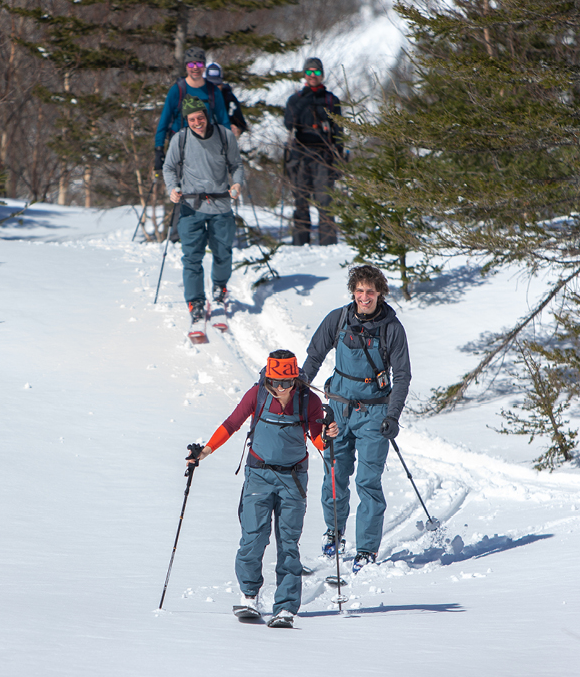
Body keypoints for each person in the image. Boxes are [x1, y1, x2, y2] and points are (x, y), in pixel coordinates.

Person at [186, 350, 339, 628]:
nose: (281, 388)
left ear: (296, 380)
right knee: (253, 537)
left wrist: (326, 436)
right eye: (276, 383)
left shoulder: (309, 401)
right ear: (268, 380)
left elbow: (317, 438)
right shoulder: (256, 395)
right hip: (258, 475)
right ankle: (249, 597)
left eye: (287, 383)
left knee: (288, 543)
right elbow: (232, 424)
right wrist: (205, 451)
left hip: (293, 479)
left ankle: (286, 607)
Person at [301, 265, 411, 573]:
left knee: (367, 481)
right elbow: (313, 357)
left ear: (380, 293)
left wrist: (393, 415)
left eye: (371, 292)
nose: (365, 297)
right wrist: (300, 391)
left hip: (375, 413)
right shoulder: (338, 320)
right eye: (360, 291)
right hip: (337, 409)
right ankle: (334, 531)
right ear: (353, 291)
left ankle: (366, 549)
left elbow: (402, 376)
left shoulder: (391, 328)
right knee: (334, 474)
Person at [162, 96, 244, 326]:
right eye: (192, 119)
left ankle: (220, 285)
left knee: (223, 253)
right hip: (190, 206)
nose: (197, 122)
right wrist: (172, 188)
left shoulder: (224, 136)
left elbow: (236, 165)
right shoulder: (180, 139)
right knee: (191, 258)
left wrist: (237, 184)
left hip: (220, 205)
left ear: (207, 116)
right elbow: (168, 167)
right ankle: (195, 301)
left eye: (200, 117)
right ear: (186, 120)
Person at [284, 57, 344, 246]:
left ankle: (328, 245)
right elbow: (288, 124)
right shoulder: (295, 99)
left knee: (325, 201)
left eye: (316, 72)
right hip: (300, 155)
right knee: (300, 201)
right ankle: (300, 244)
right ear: (304, 75)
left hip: (324, 156)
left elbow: (339, 131)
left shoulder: (330, 100)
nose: (312, 76)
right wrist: (304, 102)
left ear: (322, 75)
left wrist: (340, 158)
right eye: (309, 72)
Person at [154, 47, 231, 178]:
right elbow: (164, 121)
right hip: (180, 149)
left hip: (207, 148)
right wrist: (159, 149)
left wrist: (229, 148)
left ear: (204, 67)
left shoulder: (213, 91)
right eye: (191, 64)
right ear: (186, 66)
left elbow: (224, 121)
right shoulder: (177, 90)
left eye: (199, 63)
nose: (195, 67)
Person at [204, 62, 248, 138]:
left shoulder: (229, 98)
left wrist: (237, 130)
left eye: (217, 84)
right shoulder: (193, 97)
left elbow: (241, 124)